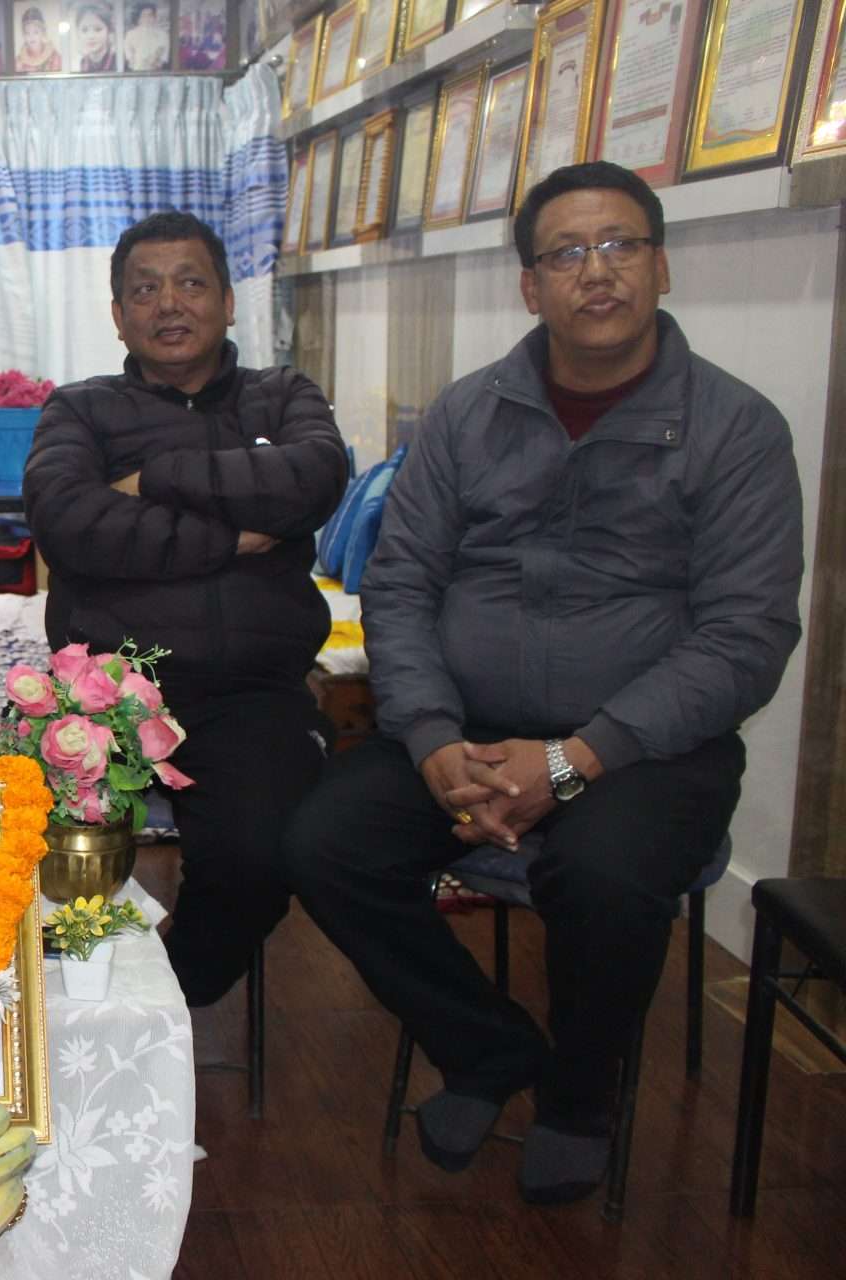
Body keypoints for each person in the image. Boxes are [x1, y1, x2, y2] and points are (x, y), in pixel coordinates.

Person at [280, 162, 803, 1206]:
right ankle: (487, 1046)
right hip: (468, 727)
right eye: (566, 253)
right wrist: (432, 737)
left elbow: (746, 636)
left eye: (619, 246)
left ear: (661, 265)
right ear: (531, 285)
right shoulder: (467, 415)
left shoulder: (738, 427)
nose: (595, 271)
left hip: (647, 748)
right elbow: (403, 584)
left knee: (602, 875)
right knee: (324, 841)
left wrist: (575, 759)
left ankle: (578, 1097)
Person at [23, 211, 348, 1011]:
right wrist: (233, 534)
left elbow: (312, 478)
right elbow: (70, 523)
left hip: (251, 695)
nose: (169, 303)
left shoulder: (283, 396)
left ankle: (163, 1000)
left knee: (263, 855)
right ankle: (64, 1014)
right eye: (145, 290)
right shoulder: (80, 410)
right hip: (107, 693)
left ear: (230, 302)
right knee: (24, 851)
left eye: (191, 283)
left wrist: (153, 477)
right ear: (118, 315)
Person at [122, 2, 169, 70]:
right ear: (139, 18)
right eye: (144, 15)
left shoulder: (163, 35)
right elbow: (129, 55)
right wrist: (136, 64)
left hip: (156, 71)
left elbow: (164, 56)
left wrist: (156, 65)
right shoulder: (130, 34)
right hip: (136, 70)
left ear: (154, 17)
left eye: (150, 15)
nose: (147, 18)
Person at [14, 7, 62, 73]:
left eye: (36, 32)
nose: (31, 37)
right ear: (24, 35)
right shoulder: (19, 62)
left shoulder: (54, 57)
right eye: (27, 33)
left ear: (42, 32)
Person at [75, 4, 117, 71]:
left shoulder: (118, 62)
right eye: (84, 30)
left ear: (108, 31)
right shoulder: (83, 63)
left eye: (98, 29)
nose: (91, 36)